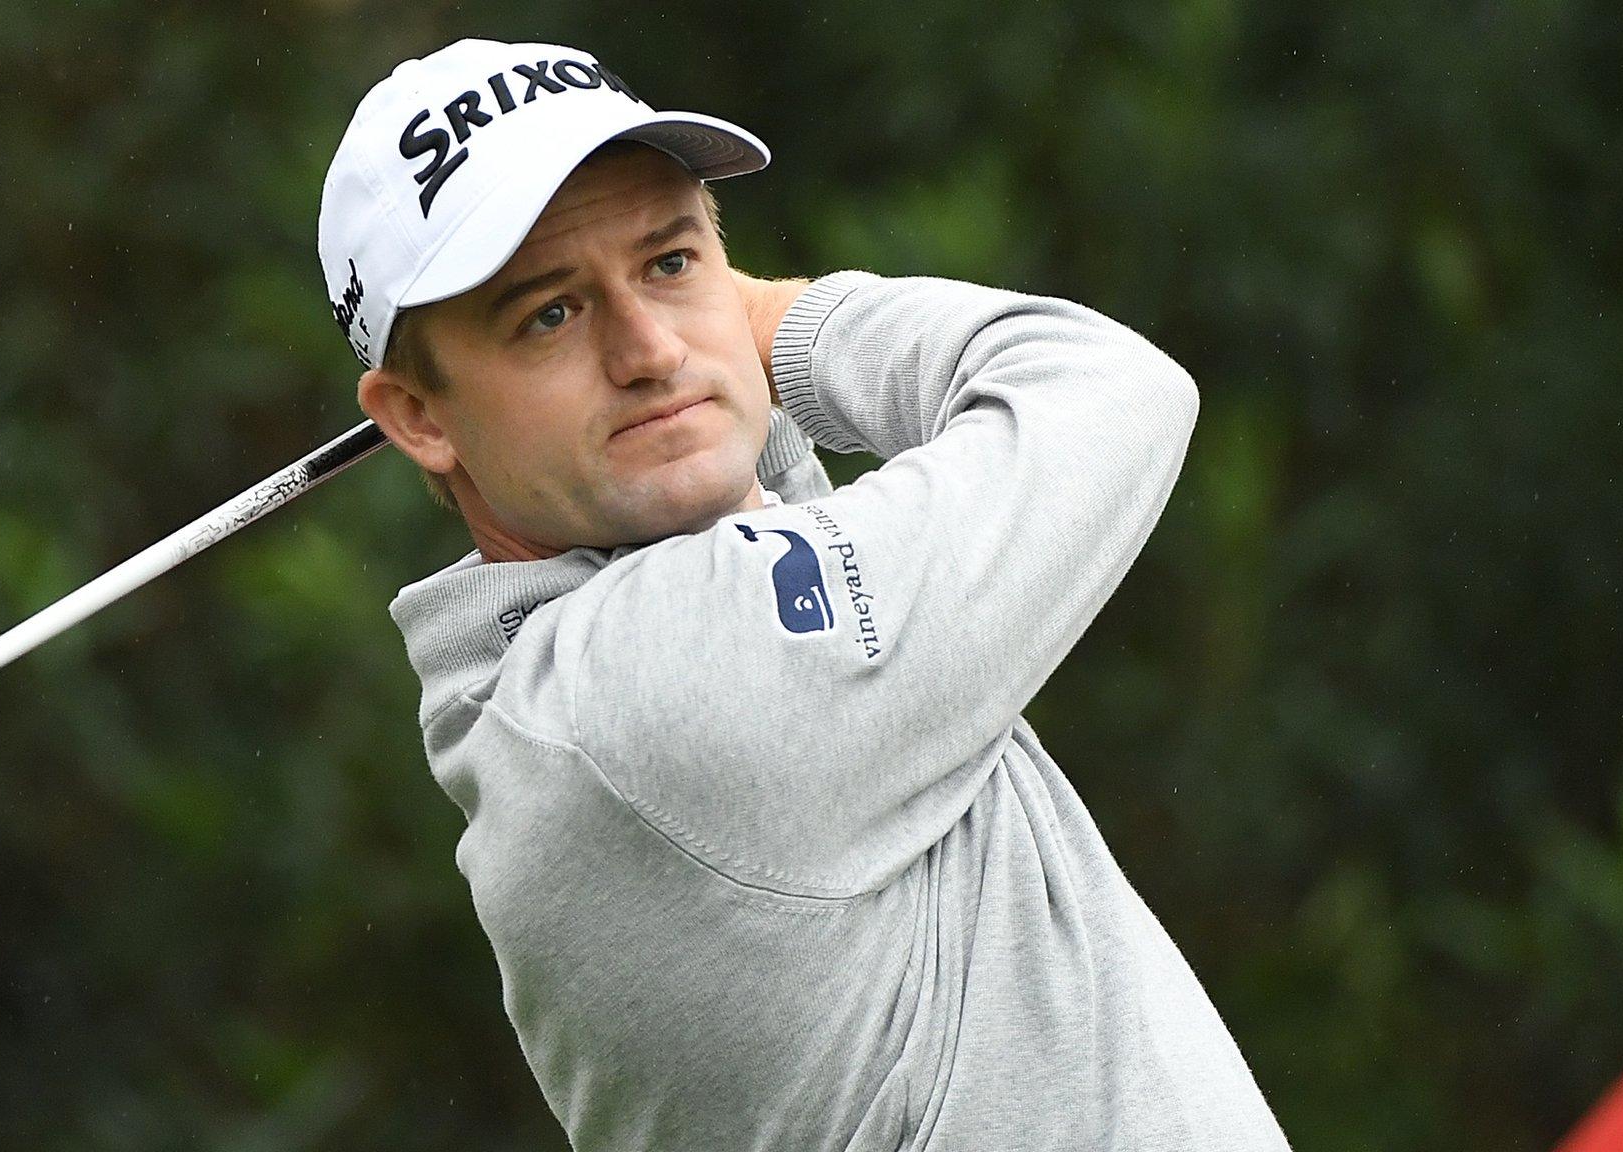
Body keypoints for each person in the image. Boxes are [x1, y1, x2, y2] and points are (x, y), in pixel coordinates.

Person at [319, 37, 1291, 1151]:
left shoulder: (554, 692)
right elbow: (1107, 391)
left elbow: (749, 494)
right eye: (549, 313)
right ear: (417, 418)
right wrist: (774, 324)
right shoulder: (642, 698)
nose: (647, 350)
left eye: (669, 264)